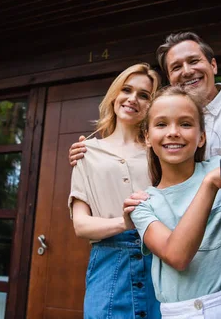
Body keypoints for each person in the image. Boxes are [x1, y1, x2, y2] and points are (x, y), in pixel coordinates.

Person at [69, 31, 221, 166]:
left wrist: (219, 174)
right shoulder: (164, 127)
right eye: (176, 67)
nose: (186, 71)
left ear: (213, 65)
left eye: (194, 61)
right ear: (170, 79)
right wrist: (92, 153)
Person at [128, 85, 221, 318]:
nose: (173, 132)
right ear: (147, 137)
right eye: (161, 124)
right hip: (180, 313)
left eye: (186, 124)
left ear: (201, 137)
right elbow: (177, 256)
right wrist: (209, 185)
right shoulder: (142, 204)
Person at [68, 63, 162, 319]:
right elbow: (81, 225)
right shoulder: (86, 152)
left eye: (144, 95)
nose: (133, 99)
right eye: (127, 90)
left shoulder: (159, 151)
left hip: (158, 259)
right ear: (114, 96)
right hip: (110, 264)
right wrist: (124, 222)